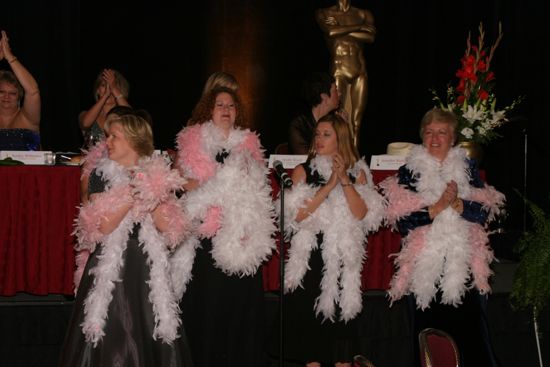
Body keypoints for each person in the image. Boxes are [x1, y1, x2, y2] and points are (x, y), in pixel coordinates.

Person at [60, 113, 193, 366]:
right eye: (108, 135)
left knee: (147, 324)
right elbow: (102, 226)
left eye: (114, 136)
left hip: (144, 265)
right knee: (106, 329)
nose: (107, 141)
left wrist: (151, 193)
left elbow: (168, 229)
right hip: (108, 264)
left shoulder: (156, 174)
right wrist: (133, 194)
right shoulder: (99, 174)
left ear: (133, 140)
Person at [379, 108, 505, 366]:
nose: (435, 138)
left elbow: (487, 210)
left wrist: (459, 204)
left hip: (462, 264)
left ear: (453, 138)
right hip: (425, 266)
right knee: (428, 338)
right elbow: (401, 221)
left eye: (442, 132)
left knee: (471, 337)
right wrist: (435, 208)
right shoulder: (409, 172)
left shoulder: (468, 169)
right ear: (422, 137)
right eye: (429, 132)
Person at [170, 86, 276, 367]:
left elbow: (260, 187)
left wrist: (243, 181)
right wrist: (219, 184)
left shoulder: (249, 144)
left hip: (240, 235)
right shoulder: (192, 142)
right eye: (219, 105)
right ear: (208, 110)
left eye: (231, 105)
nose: (226, 109)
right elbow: (180, 183)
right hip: (206, 235)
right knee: (209, 308)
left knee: (238, 309)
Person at [281, 113, 385, 366]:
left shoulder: (358, 172)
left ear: (341, 140)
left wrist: (345, 180)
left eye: (326, 135)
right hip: (311, 262)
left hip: (340, 262)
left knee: (341, 352)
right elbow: (297, 216)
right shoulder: (302, 171)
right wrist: (328, 186)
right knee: (313, 351)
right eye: (317, 134)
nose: (319, 139)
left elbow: (362, 214)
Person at [315, 0, 376, 148]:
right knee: (339, 120)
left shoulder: (363, 13)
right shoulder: (324, 13)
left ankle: (355, 161)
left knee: (356, 122)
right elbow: (330, 32)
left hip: (359, 70)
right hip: (339, 70)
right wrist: (361, 27)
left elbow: (370, 37)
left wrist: (340, 27)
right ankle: (339, 155)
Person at [0, 30, 41, 150]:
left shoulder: (27, 117)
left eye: (12, 93)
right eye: (1, 92)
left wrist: (9, 57)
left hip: (29, 169)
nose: (6, 97)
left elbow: (33, 91)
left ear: (19, 96)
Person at [288, 72, 340, 154]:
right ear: (324, 97)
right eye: (336, 90)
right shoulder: (300, 125)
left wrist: (344, 131)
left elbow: (349, 158)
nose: (339, 93)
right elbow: (306, 161)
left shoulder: (336, 122)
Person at [79, 68, 130, 148]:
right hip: (92, 160)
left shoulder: (123, 116)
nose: (108, 89)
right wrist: (105, 95)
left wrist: (114, 88)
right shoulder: (85, 114)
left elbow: (132, 119)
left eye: (112, 86)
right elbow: (85, 123)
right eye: (104, 85)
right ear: (98, 90)